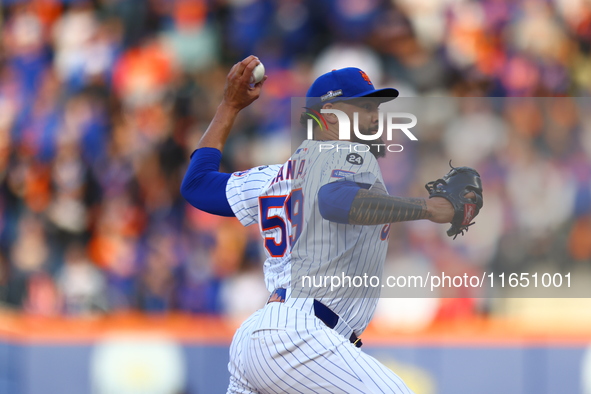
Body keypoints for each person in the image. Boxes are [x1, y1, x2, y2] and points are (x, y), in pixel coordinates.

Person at [181, 55, 461, 393]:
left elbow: (197, 184)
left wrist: (228, 107)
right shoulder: (342, 159)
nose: (375, 119)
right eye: (363, 110)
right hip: (299, 337)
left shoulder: (274, 177)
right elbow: (334, 199)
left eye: (375, 109)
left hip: (263, 339)